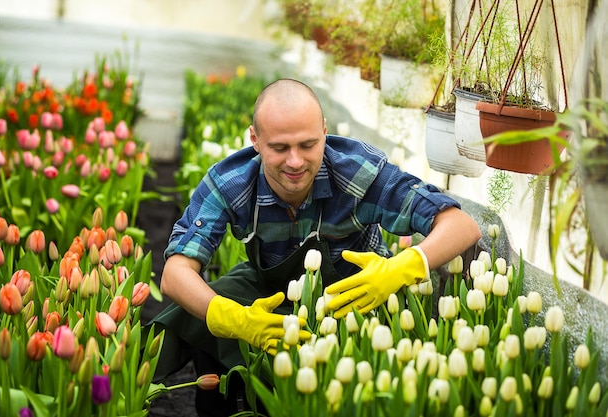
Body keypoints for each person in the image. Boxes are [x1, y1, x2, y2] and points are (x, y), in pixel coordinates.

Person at [150, 78, 481, 416]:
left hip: (357, 297)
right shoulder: (231, 183)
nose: (295, 162)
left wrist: (402, 267)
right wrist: (231, 318)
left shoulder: (356, 172)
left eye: (307, 145)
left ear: (324, 132)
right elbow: (175, 273)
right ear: (255, 140)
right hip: (272, 294)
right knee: (205, 312)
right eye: (280, 148)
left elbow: (461, 225)